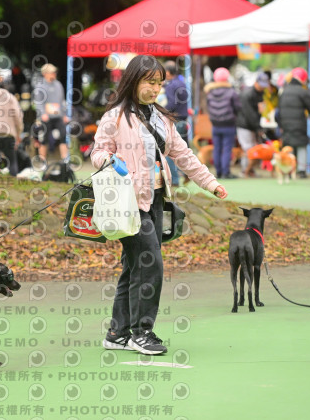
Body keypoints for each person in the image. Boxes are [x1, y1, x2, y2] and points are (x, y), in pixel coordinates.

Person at [91, 55, 227, 355]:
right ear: (133, 81)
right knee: (149, 263)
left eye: (159, 83)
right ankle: (141, 333)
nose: (155, 89)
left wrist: (210, 183)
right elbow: (97, 152)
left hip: (154, 199)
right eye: (149, 82)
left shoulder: (161, 118)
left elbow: (183, 154)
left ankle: (117, 333)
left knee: (134, 267)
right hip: (127, 202)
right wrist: (110, 159)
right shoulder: (115, 117)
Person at [277, 67, 310, 178]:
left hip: (285, 123)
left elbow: (278, 110)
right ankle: (301, 170)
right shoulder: (302, 92)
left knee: (289, 146)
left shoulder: (284, 91)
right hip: (299, 123)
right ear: (303, 79)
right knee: (301, 145)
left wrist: (280, 124)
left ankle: (288, 170)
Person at [205, 67, 240, 179]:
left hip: (215, 124)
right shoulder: (231, 92)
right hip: (228, 124)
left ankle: (218, 172)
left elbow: (208, 107)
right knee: (227, 148)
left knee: (217, 148)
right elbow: (238, 107)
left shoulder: (210, 92)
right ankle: (226, 172)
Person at [32, 63, 69, 162]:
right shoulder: (40, 86)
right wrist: (42, 113)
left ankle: (65, 160)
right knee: (44, 139)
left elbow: (62, 101)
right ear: (45, 73)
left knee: (63, 136)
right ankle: (42, 160)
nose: (54, 74)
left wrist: (64, 115)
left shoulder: (58, 85)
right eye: (52, 72)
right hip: (46, 117)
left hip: (58, 116)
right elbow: (38, 102)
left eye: (54, 72)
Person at [0, 75, 23, 176]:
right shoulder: (10, 98)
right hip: (8, 134)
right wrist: (18, 133)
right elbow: (18, 116)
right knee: (12, 161)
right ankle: (14, 181)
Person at [236, 72, 269, 177]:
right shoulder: (248, 94)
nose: (262, 87)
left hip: (251, 125)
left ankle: (250, 170)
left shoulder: (260, 94)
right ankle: (245, 170)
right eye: (261, 85)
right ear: (256, 82)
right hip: (244, 125)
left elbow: (258, 112)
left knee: (253, 148)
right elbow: (249, 113)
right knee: (248, 149)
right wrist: (258, 127)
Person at [163, 61, 189, 185]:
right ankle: (186, 172)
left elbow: (172, 103)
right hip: (183, 119)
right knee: (182, 149)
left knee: (170, 150)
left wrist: (162, 110)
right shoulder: (182, 83)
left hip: (174, 119)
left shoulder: (170, 85)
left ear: (168, 72)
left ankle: (174, 179)